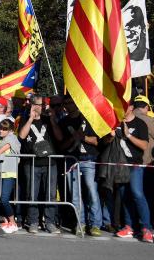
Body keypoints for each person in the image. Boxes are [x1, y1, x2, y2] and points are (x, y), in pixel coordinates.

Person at [57, 96, 102, 236]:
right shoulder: (64, 122)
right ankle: (80, 222)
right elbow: (61, 145)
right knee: (75, 195)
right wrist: (72, 138)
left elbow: (97, 141)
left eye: (71, 102)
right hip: (72, 161)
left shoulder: (88, 119)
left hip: (88, 160)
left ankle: (95, 224)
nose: (68, 105)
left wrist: (82, 137)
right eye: (66, 103)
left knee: (92, 192)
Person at [19, 95, 62, 234]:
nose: (41, 107)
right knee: (32, 193)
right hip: (31, 163)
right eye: (38, 104)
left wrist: (52, 119)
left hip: (50, 162)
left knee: (50, 194)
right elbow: (22, 136)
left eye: (43, 104)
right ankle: (33, 222)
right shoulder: (25, 119)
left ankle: (49, 222)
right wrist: (31, 118)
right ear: (32, 105)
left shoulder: (49, 119)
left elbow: (59, 137)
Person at [114, 102, 154, 243]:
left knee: (137, 194)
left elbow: (144, 145)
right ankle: (129, 226)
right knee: (125, 196)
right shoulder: (116, 122)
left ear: (131, 108)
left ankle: (147, 228)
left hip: (135, 164)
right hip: (120, 165)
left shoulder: (140, 123)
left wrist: (128, 135)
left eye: (123, 106)